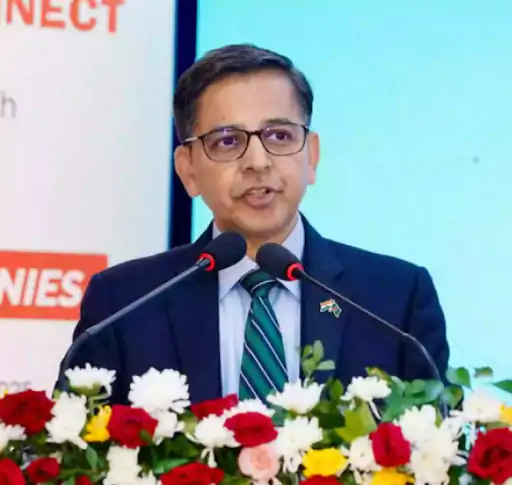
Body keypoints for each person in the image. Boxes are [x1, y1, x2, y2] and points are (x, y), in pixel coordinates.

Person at [57, 44, 449, 404]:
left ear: (311, 156)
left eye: (279, 135)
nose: (258, 162)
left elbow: (436, 440)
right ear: (188, 170)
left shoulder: (395, 299)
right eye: (227, 141)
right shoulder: (125, 303)